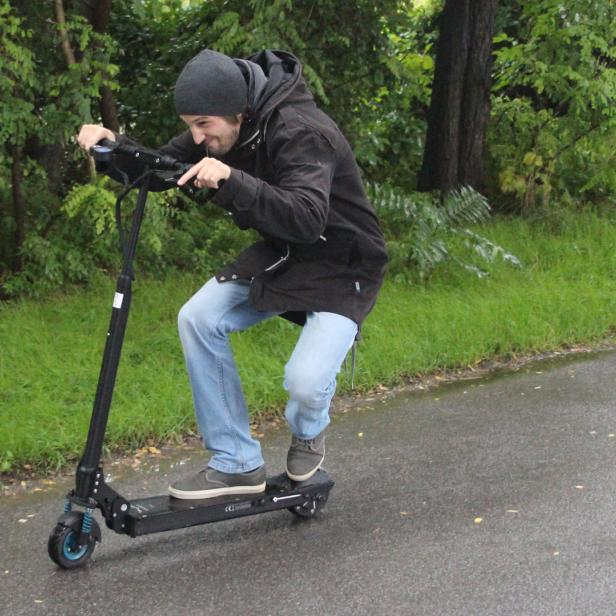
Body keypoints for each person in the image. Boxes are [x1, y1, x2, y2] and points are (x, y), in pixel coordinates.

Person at [77, 49, 388, 500]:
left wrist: (232, 181)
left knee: (304, 383)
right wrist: (111, 149)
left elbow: (306, 217)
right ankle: (236, 461)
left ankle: (309, 430)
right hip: (285, 251)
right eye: (190, 125)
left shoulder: (301, 131)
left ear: (239, 112)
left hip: (344, 263)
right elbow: (161, 169)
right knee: (198, 317)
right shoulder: (223, 118)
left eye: (203, 124)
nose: (196, 136)